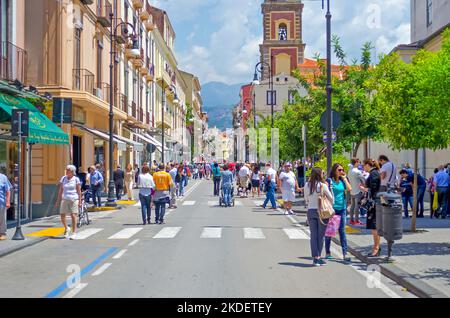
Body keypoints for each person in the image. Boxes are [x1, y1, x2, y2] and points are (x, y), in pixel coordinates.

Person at [304, 168, 334, 267]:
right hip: (322, 212)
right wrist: (331, 189)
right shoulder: (323, 185)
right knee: (320, 236)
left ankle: (314, 257)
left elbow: (306, 199)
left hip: (311, 211)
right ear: (320, 174)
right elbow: (331, 199)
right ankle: (318, 257)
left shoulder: (307, 185)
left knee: (313, 235)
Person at [324, 163, 352, 263]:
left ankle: (345, 253)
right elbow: (324, 189)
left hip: (342, 208)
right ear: (334, 170)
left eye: (342, 170)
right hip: (332, 209)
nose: (341, 172)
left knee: (342, 231)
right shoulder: (329, 180)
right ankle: (327, 252)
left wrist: (344, 178)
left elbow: (349, 189)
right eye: (339, 170)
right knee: (330, 231)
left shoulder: (342, 181)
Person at [360, 159, 382, 257]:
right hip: (375, 202)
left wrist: (364, 189)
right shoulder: (375, 173)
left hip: (374, 203)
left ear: (368, 165)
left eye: (364, 165)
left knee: (374, 226)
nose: (363, 167)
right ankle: (376, 247)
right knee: (374, 226)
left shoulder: (373, 174)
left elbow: (374, 189)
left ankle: (376, 248)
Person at [55, 165, 82, 240]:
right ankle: (67, 228)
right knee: (62, 215)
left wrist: (80, 201)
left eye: (68, 170)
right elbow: (60, 190)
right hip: (65, 199)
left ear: (72, 171)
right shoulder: (63, 178)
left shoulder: (76, 179)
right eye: (66, 170)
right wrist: (58, 200)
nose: (66, 171)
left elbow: (79, 191)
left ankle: (74, 233)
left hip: (74, 199)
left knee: (73, 215)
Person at [348, 158, 366, 225]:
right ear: (355, 163)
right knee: (357, 206)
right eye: (358, 162)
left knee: (352, 205)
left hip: (352, 190)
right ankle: (357, 220)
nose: (359, 163)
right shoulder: (357, 171)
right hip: (358, 190)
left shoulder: (349, 171)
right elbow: (363, 180)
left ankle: (351, 220)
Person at [0, 171, 11, 241]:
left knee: (2, 219)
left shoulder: (3, 177)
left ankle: (2, 233)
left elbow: (8, 190)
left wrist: (7, 202)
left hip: (1, 202)